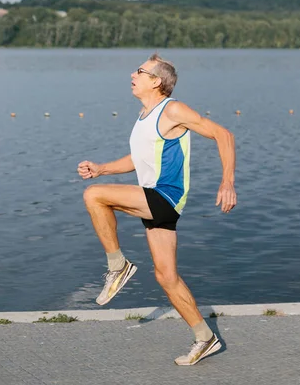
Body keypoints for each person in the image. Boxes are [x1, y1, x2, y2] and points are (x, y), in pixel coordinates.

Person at [77, 53, 236, 366]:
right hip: (153, 199)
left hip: (165, 196)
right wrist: (102, 168)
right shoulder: (144, 114)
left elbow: (223, 134)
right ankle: (206, 338)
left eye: (140, 71)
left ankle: (117, 265)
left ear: (156, 81)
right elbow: (140, 159)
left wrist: (227, 182)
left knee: (94, 196)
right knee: (167, 277)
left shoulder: (172, 109)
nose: (132, 74)